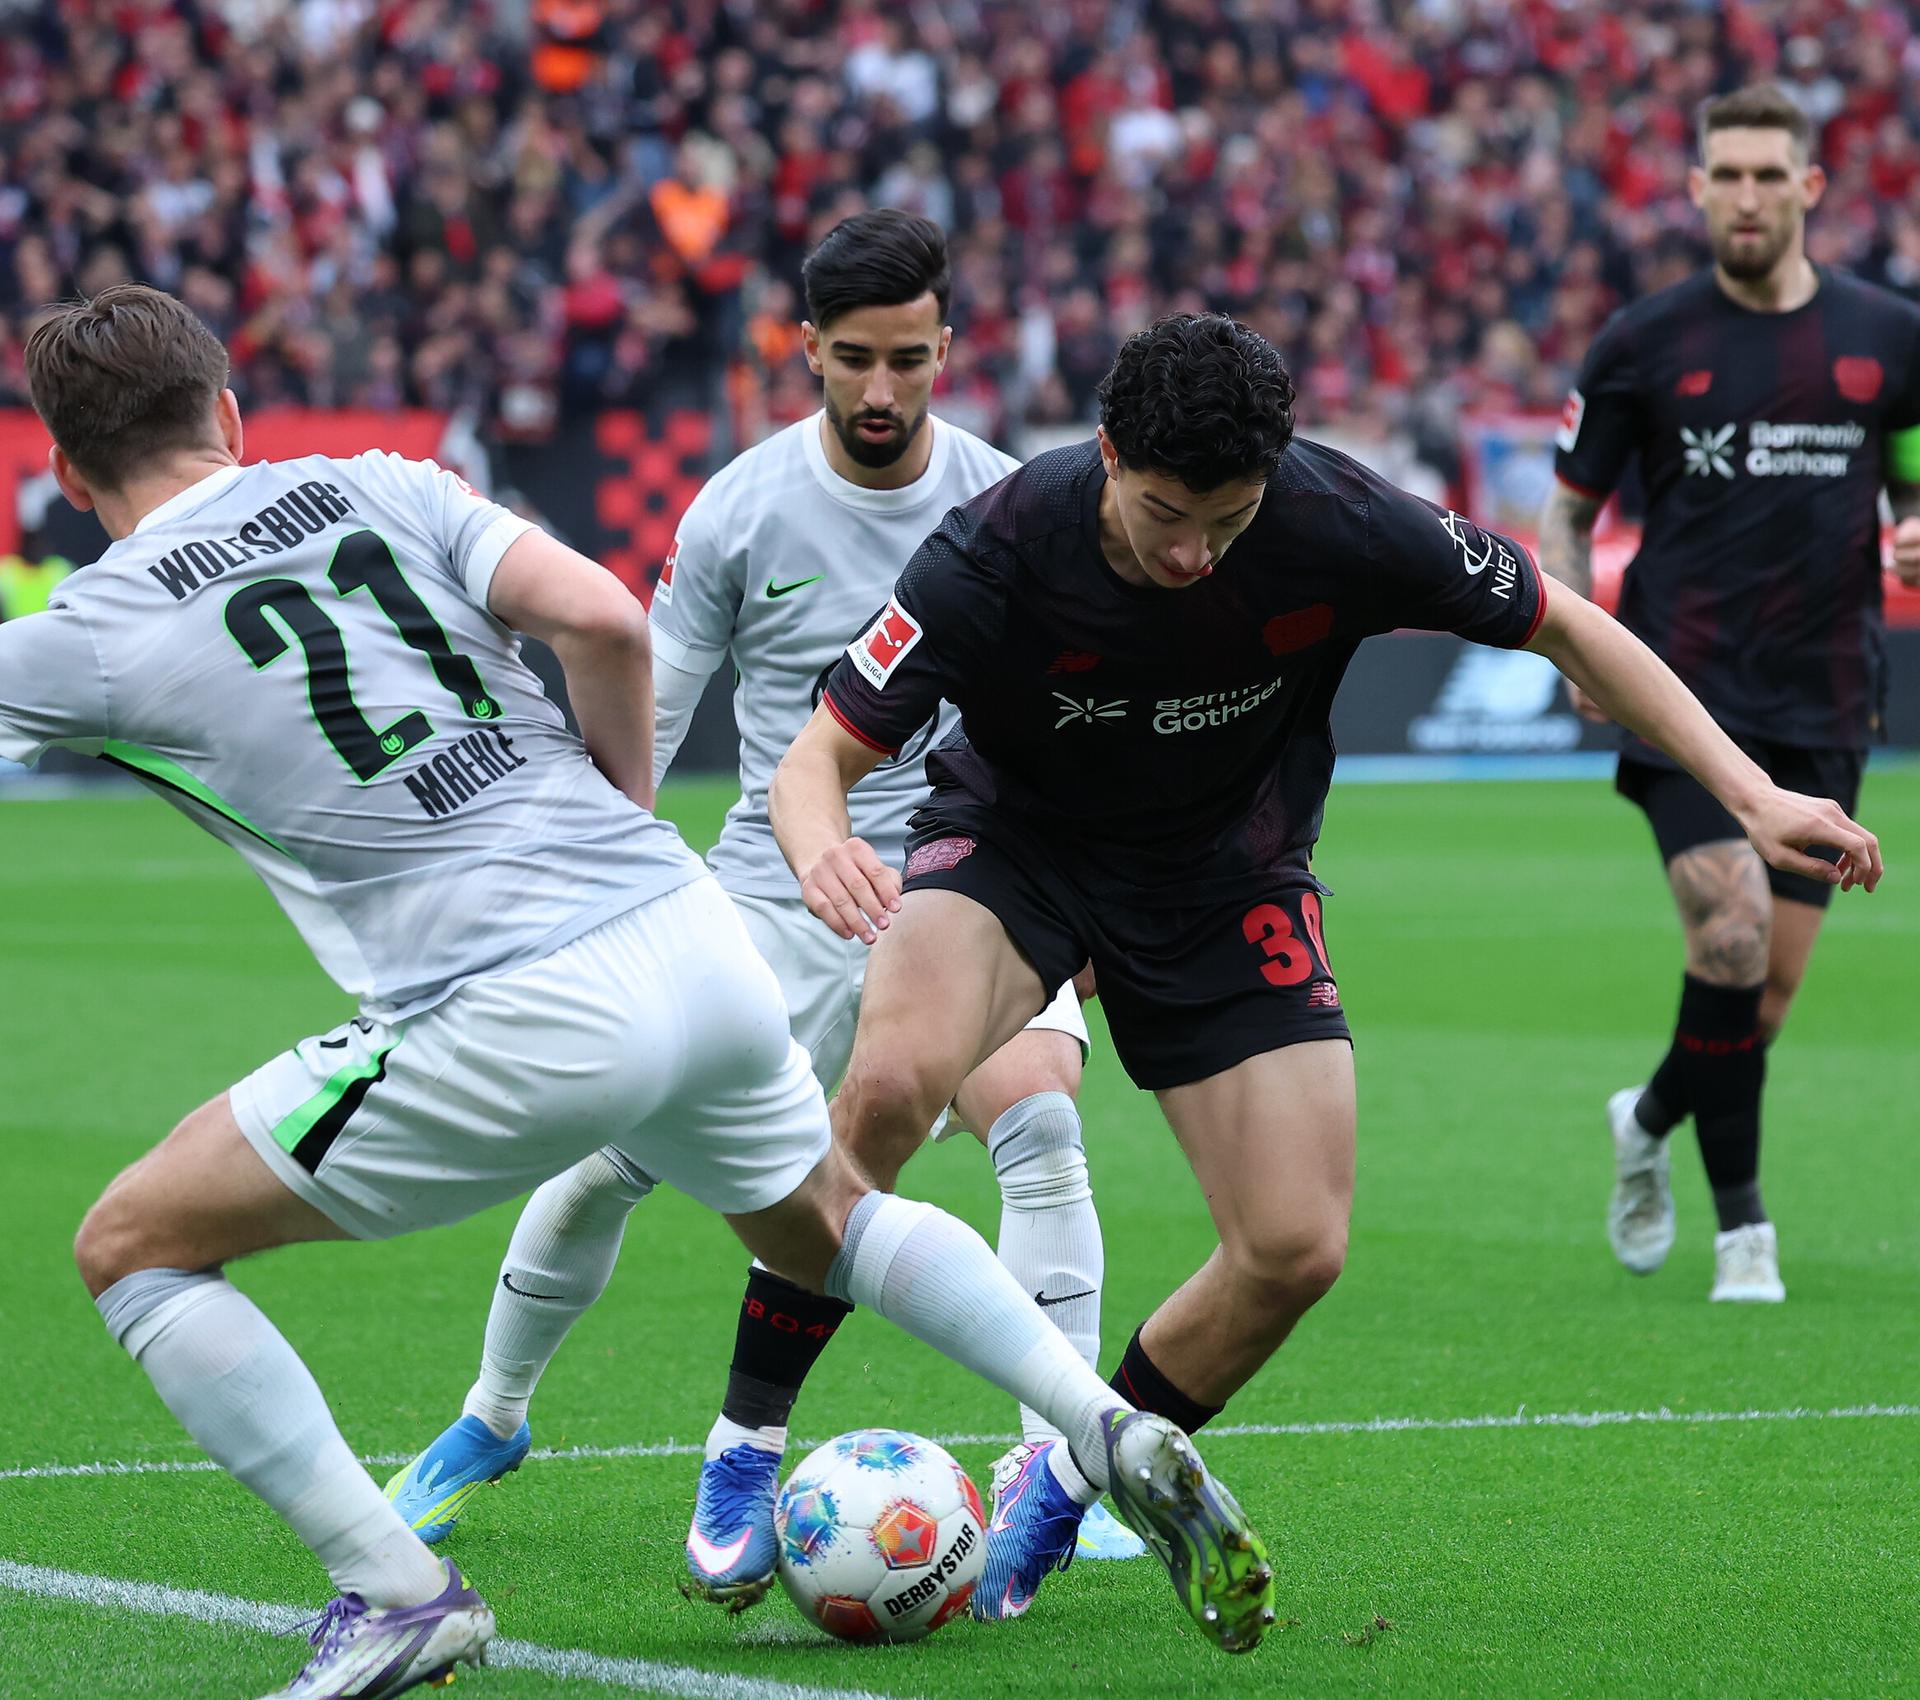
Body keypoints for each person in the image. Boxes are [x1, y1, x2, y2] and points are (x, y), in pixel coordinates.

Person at [0, 286, 1277, 1700]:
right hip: (688, 929)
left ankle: (398, 1588)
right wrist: (621, 814)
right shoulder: (378, 483)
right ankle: (1102, 1429)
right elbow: (602, 617)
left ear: (64, 472)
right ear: (230, 416)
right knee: (826, 1223)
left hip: (503, 1001)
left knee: (135, 1247)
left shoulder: (92, 622)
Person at [768, 308, 1882, 1617]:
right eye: (1168, 513)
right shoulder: (1003, 542)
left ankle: (1070, 1475)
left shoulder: (1340, 520)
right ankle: (740, 1456)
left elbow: (1572, 626)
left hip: (1225, 873)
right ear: (1112, 454)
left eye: (1228, 523)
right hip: (1020, 845)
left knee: (1295, 1249)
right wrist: (820, 841)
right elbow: (816, 755)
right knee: (888, 1089)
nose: (1194, 554)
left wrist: (1752, 798)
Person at [385, 210, 1142, 1611]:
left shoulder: (1011, 500)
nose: (878, 393)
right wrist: (591, 884)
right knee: (614, 1151)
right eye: (851, 361)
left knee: (1039, 1123)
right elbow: (652, 709)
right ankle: (493, 1417)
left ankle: (1057, 1466)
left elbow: (1071, 715)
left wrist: (1081, 896)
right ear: (802, 351)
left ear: (946, 351)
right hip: (773, 883)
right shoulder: (739, 505)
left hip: (970, 872)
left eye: (907, 362)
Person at [1539, 85, 1920, 1302]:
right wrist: (1569, 637)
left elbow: (1912, 477)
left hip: (1823, 694)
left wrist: (1916, 528)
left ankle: (1647, 1118)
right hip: (1683, 697)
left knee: (1760, 998)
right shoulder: (1643, 341)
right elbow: (1568, 507)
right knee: (1733, 931)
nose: (1747, 195)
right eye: (1726, 175)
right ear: (1697, 188)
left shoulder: (1889, 335)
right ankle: (1743, 1233)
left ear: (1809, 189)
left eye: (1770, 174)